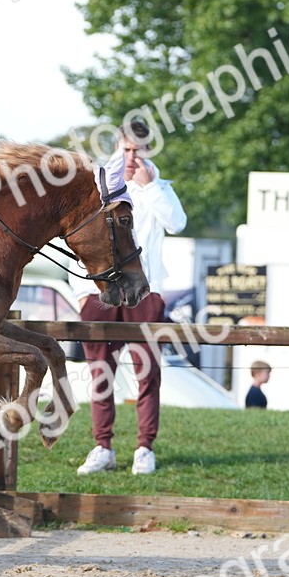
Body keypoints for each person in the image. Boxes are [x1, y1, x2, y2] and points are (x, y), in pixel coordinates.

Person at [72, 120, 187, 476]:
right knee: (99, 372)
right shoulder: (100, 182)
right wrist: (81, 294)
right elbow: (75, 234)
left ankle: (144, 448)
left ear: (150, 150)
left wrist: (150, 187)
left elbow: (177, 223)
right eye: (127, 149)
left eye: (139, 150)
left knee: (148, 373)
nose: (133, 156)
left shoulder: (159, 186)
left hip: (146, 293)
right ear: (119, 146)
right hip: (101, 293)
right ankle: (102, 446)